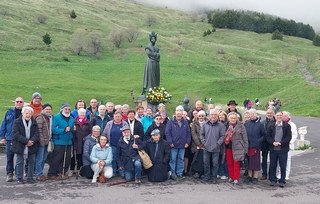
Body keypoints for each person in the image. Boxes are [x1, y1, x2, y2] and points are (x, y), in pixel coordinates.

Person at [11, 106, 39, 184]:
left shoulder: (34, 122)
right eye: (26, 113)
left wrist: (31, 141)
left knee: (31, 161)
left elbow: (36, 133)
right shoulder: (17, 122)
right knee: (19, 162)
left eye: (30, 113)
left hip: (32, 145)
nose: (28, 115)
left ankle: (30, 177)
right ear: (23, 113)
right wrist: (26, 141)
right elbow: (16, 134)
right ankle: (19, 178)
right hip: (20, 145)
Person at [47, 103, 75, 180]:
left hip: (68, 141)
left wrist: (73, 129)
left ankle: (62, 172)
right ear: (62, 109)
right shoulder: (56, 117)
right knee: (57, 158)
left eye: (69, 109)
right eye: (65, 109)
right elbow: (53, 129)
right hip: (59, 141)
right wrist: (63, 130)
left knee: (67, 158)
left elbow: (72, 128)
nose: (67, 111)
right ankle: (52, 173)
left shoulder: (71, 118)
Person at [0, 97, 24, 182]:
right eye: (17, 101)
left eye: (21, 102)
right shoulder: (9, 112)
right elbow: (4, 124)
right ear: (15, 103)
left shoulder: (25, 112)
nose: (19, 103)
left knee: (20, 157)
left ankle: (18, 173)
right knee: (10, 156)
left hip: (20, 138)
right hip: (10, 138)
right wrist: (2, 137)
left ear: (23, 103)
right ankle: (9, 173)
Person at [165, 106, 191, 180]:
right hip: (173, 145)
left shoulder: (185, 122)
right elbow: (167, 133)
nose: (179, 116)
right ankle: (172, 173)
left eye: (180, 114)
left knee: (181, 159)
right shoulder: (170, 122)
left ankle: (179, 173)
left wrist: (187, 142)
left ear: (182, 114)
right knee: (172, 159)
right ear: (175, 114)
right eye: (177, 114)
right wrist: (170, 142)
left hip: (183, 145)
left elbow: (188, 134)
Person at [267, 111, 291, 188]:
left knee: (283, 166)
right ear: (275, 116)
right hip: (273, 149)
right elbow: (268, 137)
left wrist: (281, 143)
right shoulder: (271, 125)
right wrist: (273, 142)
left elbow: (288, 137)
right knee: (273, 165)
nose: (279, 117)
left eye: (280, 115)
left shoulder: (287, 126)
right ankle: (272, 180)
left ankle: (282, 181)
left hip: (283, 149)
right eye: (277, 115)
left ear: (282, 116)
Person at [200, 109, 226, 184]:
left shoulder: (221, 125)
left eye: (215, 115)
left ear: (217, 116)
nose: (213, 116)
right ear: (209, 116)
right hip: (206, 147)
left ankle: (214, 177)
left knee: (215, 163)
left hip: (216, 148)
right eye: (212, 114)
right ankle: (207, 176)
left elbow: (222, 136)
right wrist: (204, 142)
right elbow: (201, 134)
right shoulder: (205, 124)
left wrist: (218, 144)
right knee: (206, 162)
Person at [224, 112, 248, 184]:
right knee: (229, 163)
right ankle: (231, 176)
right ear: (228, 119)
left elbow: (245, 137)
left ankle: (236, 178)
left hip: (238, 147)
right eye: (231, 118)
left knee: (236, 163)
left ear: (237, 118)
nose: (233, 119)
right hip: (228, 146)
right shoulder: (226, 125)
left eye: (234, 118)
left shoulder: (241, 126)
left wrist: (246, 148)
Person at [244, 109, 265, 184]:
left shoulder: (260, 124)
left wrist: (258, 141)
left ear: (256, 114)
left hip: (256, 146)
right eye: (250, 114)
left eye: (253, 114)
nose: (252, 115)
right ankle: (250, 176)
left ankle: (255, 177)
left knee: (255, 162)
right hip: (248, 146)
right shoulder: (246, 123)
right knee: (249, 162)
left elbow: (263, 135)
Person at [69, 108, 92, 177]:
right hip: (76, 141)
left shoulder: (88, 122)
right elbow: (71, 131)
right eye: (81, 113)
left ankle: (79, 169)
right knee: (74, 156)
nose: (82, 114)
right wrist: (73, 130)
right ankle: (72, 169)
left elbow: (90, 132)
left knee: (81, 156)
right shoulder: (74, 121)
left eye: (83, 113)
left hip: (84, 142)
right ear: (78, 114)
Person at [35, 104, 53, 181]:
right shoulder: (40, 118)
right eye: (47, 109)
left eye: (49, 109)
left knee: (44, 158)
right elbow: (39, 131)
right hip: (41, 142)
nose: (48, 111)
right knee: (40, 159)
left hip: (47, 141)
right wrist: (42, 141)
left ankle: (40, 173)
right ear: (43, 110)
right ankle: (38, 174)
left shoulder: (49, 118)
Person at [279, 111, 297, 181]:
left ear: (288, 117)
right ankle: (279, 174)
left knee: (287, 160)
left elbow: (294, 135)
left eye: (284, 115)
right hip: (280, 145)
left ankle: (286, 175)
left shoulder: (292, 125)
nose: (282, 117)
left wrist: (288, 142)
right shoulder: (280, 124)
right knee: (280, 160)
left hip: (288, 145)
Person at [190, 110, 206, 178]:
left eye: (202, 116)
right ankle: (196, 172)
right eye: (199, 116)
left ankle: (202, 172)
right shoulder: (194, 123)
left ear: (204, 116)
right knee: (197, 159)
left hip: (205, 144)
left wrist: (204, 143)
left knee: (204, 159)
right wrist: (199, 143)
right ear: (197, 116)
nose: (201, 117)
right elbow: (193, 134)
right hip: (197, 144)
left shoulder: (207, 123)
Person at [260, 108, 275, 180]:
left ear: (273, 114)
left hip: (272, 143)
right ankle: (264, 174)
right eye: (268, 113)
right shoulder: (262, 122)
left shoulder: (276, 122)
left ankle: (271, 174)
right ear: (266, 114)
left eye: (271, 113)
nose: (269, 114)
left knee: (273, 160)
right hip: (264, 143)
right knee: (264, 159)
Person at [217, 110, 228, 180]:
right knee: (218, 159)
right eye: (220, 115)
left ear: (225, 116)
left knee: (224, 160)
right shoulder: (217, 124)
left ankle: (224, 173)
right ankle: (219, 172)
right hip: (218, 144)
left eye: (223, 115)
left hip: (225, 144)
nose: (221, 116)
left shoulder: (227, 124)